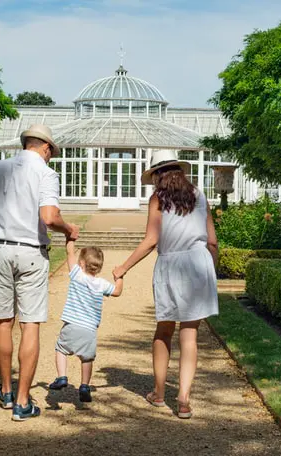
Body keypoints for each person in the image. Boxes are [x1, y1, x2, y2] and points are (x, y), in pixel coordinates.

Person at [0, 124, 80, 422]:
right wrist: (68, 228)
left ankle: (6, 391)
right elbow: (48, 217)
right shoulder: (45, 173)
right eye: (51, 153)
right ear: (46, 148)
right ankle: (22, 401)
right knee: (30, 324)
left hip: (1, 250)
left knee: (3, 320)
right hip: (31, 252)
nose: (50, 158)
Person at [112, 149, 219, 419]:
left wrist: (123, 267)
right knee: (190, 334)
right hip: (199, 263)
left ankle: (159, 393)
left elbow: (151, 240)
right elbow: (212, 240)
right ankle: (183, 398)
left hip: (171, 265)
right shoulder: (198, 194)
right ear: (178, 170)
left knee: (164, 330)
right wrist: (213, 270)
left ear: (157, 175)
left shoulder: (157, 199)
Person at [48, 240, 123, 402]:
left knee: (61, 349)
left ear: (81, 263)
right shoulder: (102, 284)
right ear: (99, 267)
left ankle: (62, 377)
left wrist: (70, 239)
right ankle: (84, 386)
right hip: (89, 330)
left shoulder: (77, 276)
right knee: (87, 358)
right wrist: (119, 277)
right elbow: (117, 292)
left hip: (71, 324)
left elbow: (69, 254)